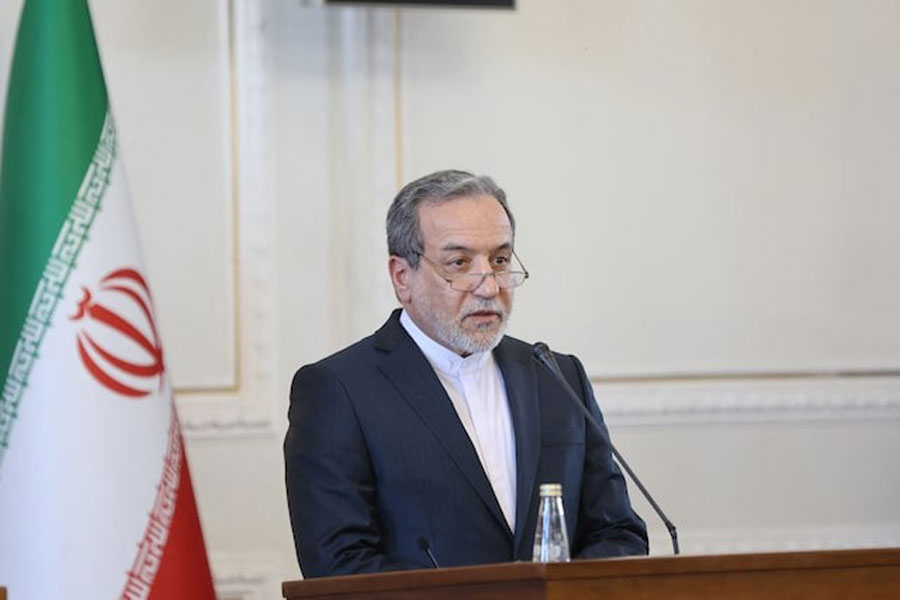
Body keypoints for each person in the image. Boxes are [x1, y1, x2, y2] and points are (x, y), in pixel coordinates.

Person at [284, 170, 648, 578]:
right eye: (459, 263)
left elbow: (617, 532)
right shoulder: (338, 390)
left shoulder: (557, 376)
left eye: (499, 260)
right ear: (402, 277)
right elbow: (339, 566)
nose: (489, 287)